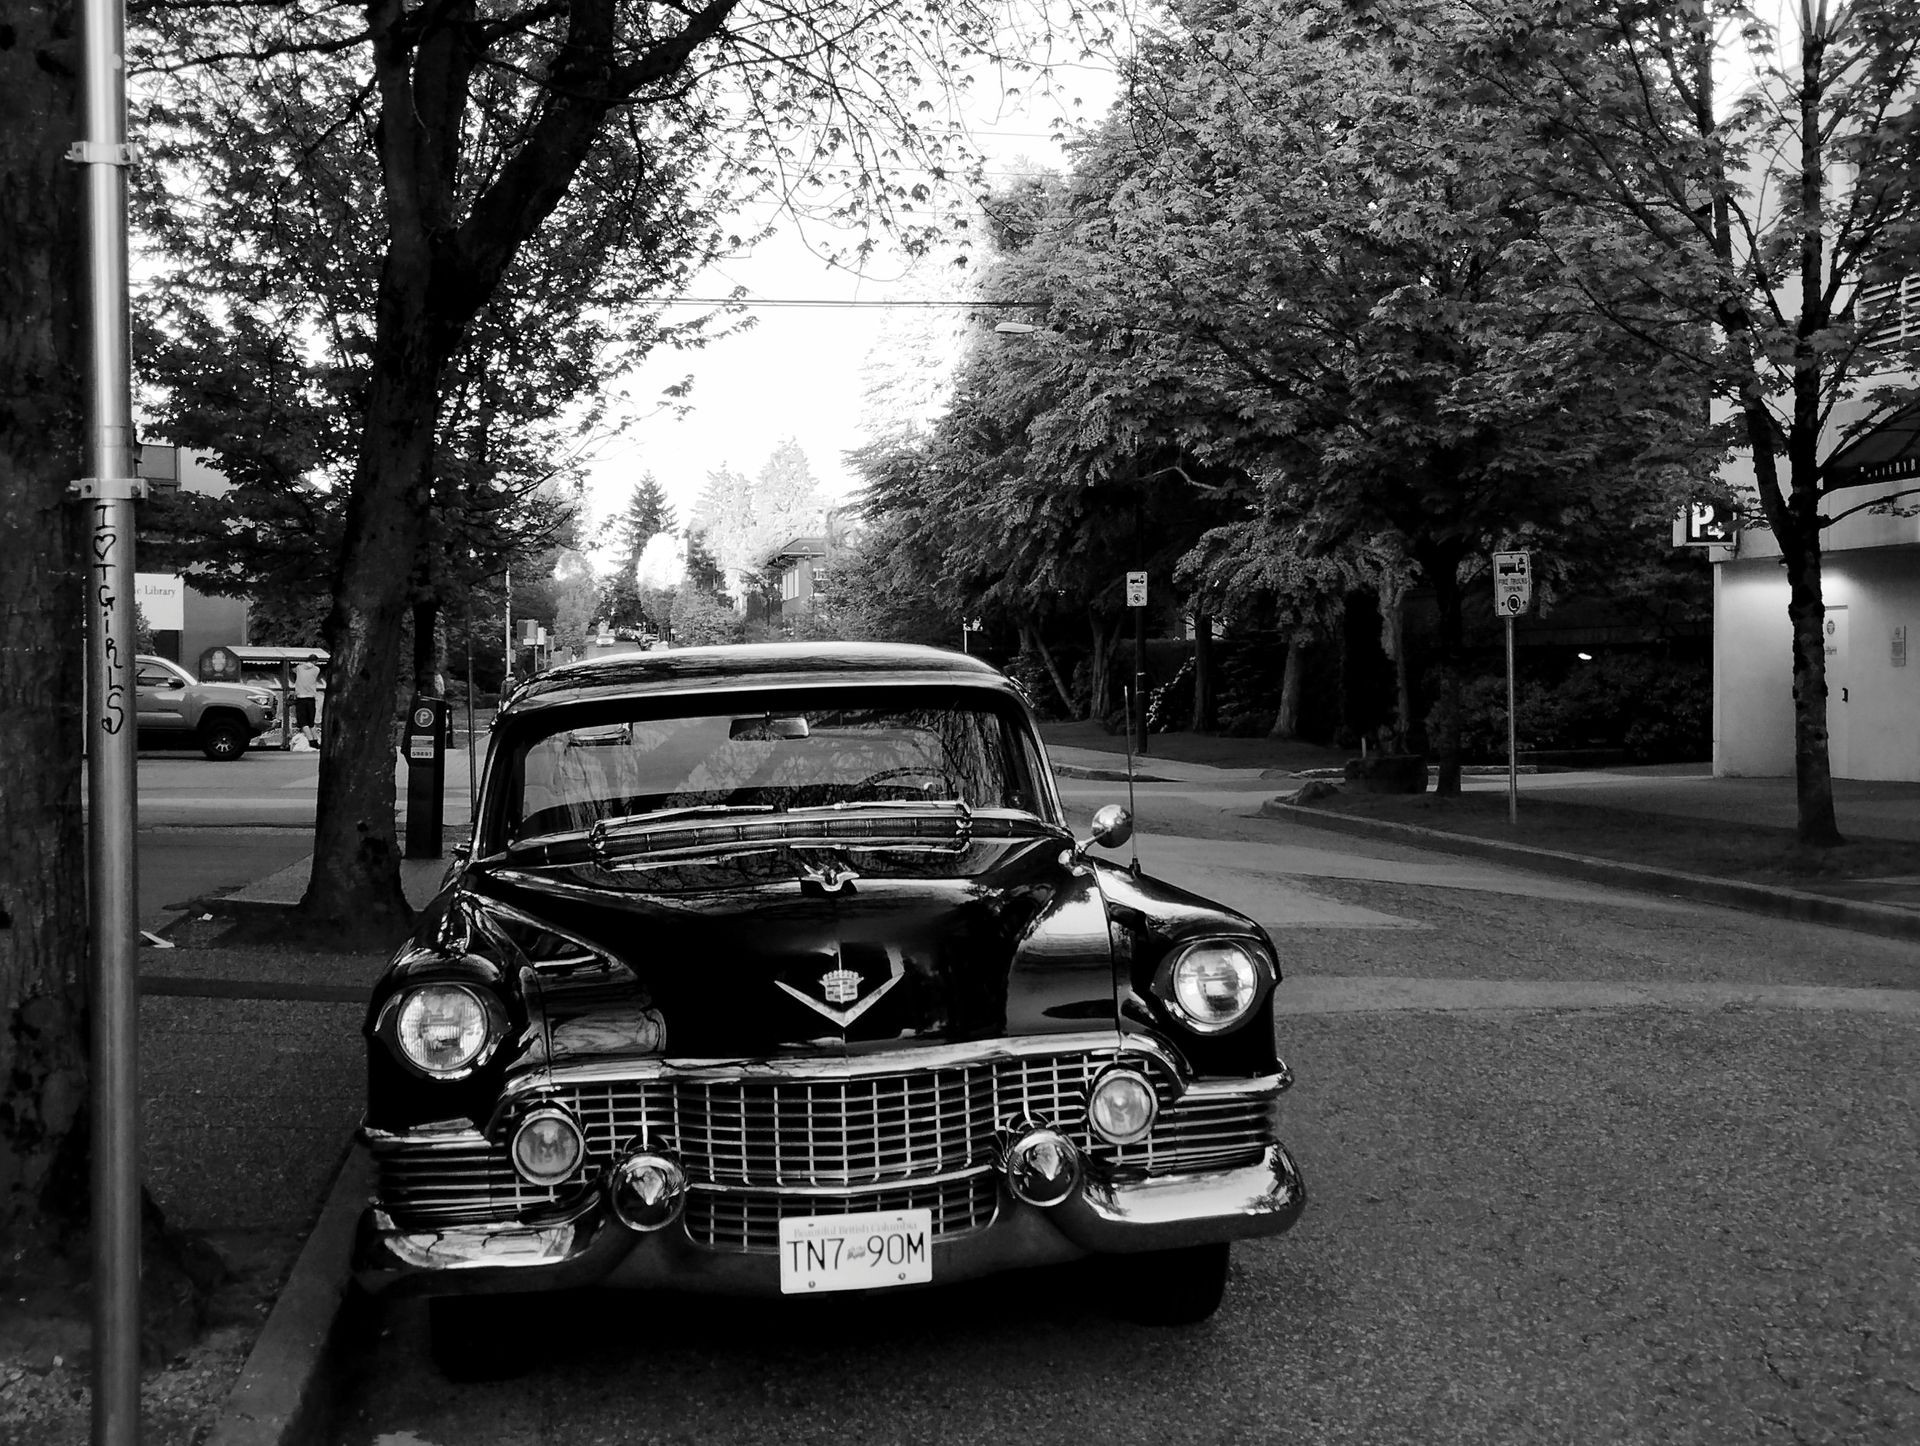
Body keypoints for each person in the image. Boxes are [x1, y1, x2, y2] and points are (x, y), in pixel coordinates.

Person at [292, 658, 322, 742]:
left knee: (303, 723)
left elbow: (292, 669)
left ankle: (311, 741)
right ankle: (316, 741)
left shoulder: (299, 668)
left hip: (301, 698)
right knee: (311, 723)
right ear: (316, 662)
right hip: (311, 698)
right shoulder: (317, 669)